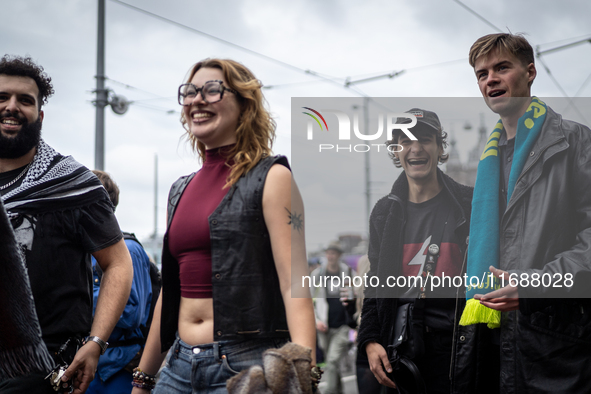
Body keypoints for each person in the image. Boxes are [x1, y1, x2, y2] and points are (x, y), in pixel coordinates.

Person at [131, 58, 317, 394]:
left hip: (247, 367)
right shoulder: (179, 189)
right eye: (189, 92)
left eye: (212, 90)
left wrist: (303, 375)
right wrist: (143, 379)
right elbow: (170, 292)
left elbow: (295, 284)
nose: (197, 100)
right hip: (177, 366)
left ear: (245, 106)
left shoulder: (273, 177)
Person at [461, 33, 591, 393]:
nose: (491, 79)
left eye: (502, 67)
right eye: (482, 74)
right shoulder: (488, 160)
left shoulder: (577, 143)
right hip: (490, 344)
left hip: (554, 347)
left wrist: (536, 287)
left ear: (530, 72)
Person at [0, 55, 133, 393]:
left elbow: (118, 264)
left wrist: (96, 342)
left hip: (44, 368)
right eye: (2, 97)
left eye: (24, 100)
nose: (11, 107)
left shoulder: (73, 183)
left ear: (39, 115)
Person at [356, 109, 475, 394]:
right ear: (396, 151)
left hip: (460, 351)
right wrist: (370, 338)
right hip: (403, 351)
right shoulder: (384, 213)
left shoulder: (469, 203)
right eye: (406, 141)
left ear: (439, 147)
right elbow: (376, 282)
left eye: (425, 139)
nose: (416, 148)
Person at [87, 170, 153, 394]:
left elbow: (132, 313)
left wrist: (81, 297)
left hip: (117, 370)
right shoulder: (84, 252)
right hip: (92, 367)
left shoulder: (130, 250)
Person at [311, 241, 356, 394]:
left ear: (339, 255)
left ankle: (329, 392)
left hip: (343, 325)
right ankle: (339, 391)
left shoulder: (348, 272)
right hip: (325, 326)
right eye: (328, 253)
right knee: (332, 364)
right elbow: (310, 301)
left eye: (333, 253)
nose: (330, 256)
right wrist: (317, 321)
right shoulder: (317, 274)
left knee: (332, 361)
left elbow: (357, 294)